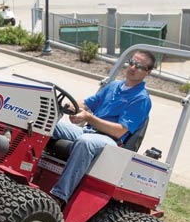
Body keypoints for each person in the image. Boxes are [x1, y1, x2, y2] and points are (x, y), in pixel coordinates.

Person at [50, 50, 156, 206]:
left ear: (148, 72)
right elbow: (87, 103)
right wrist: (69, 105)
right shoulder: (113, 86)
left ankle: (59, 197)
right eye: (131, 62)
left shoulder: (141, 99)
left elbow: (119, 130)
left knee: (86, 142)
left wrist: (89, 118)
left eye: (139, 66)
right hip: (89, 130)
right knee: (49, 123)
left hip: (111, 141)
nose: (133, 67)